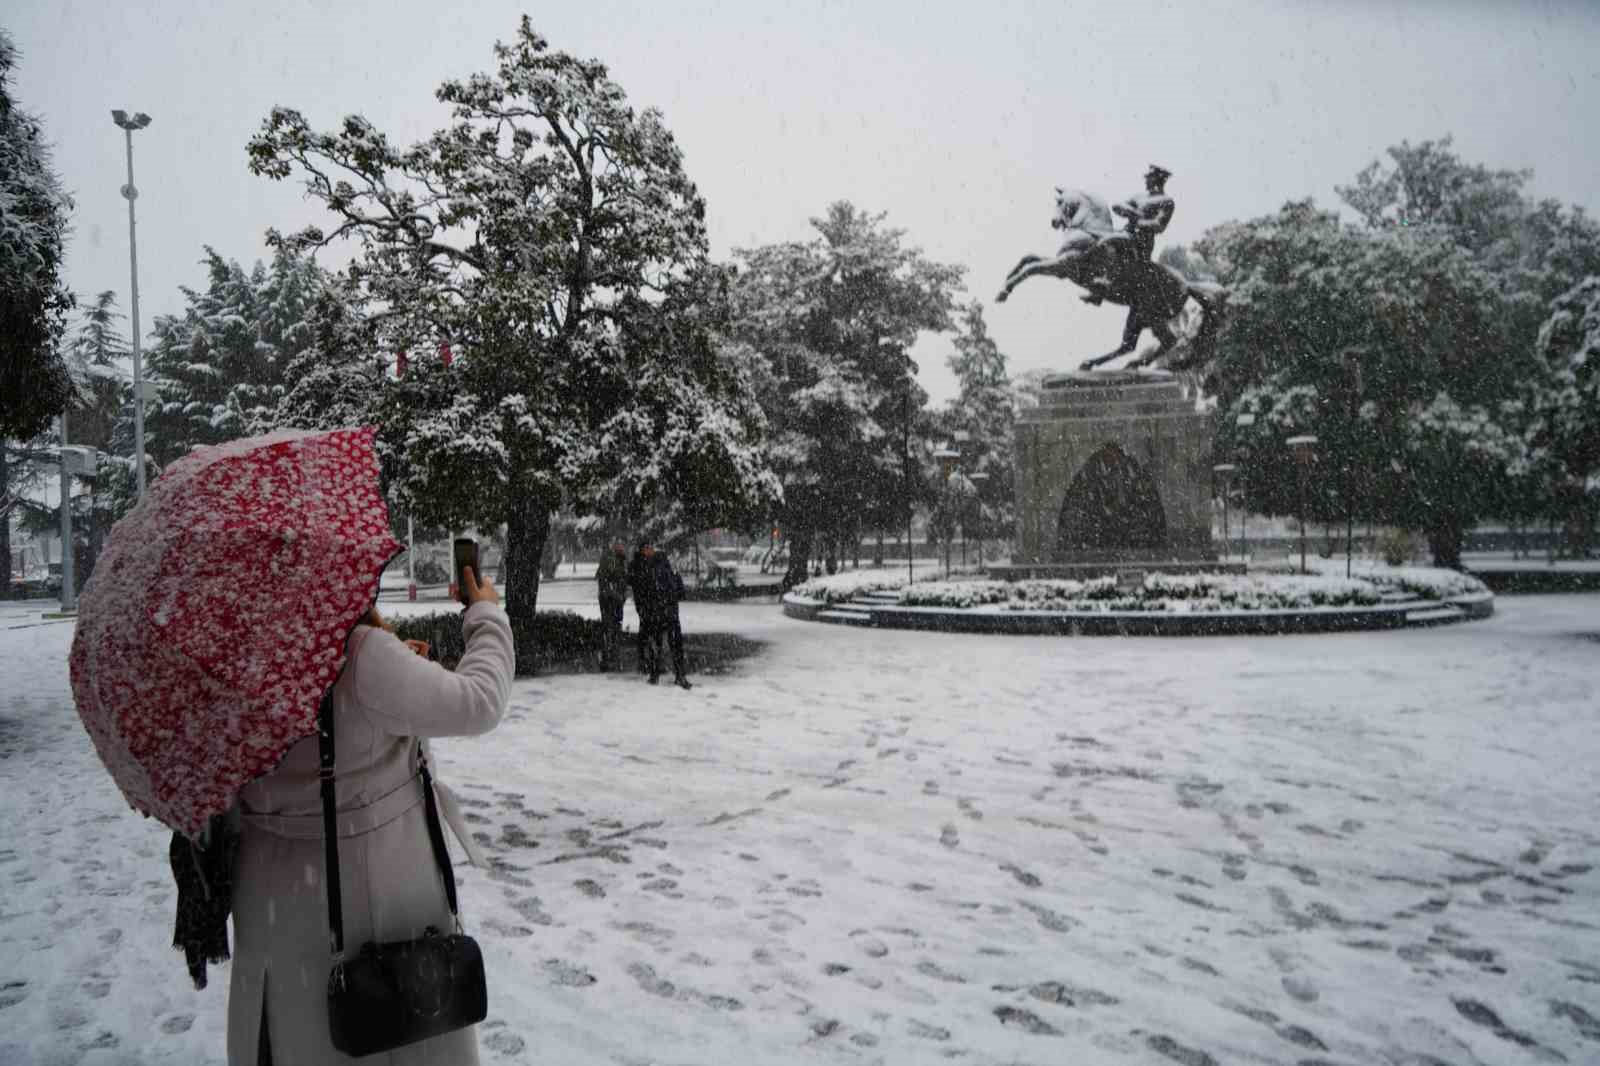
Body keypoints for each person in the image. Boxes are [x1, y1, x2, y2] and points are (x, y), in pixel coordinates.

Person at [226, 566, 513, 1065]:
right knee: (393, 1037)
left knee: (298, 1038)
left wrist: (398, 668)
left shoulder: (229, 657)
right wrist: (486, 615)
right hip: (373, 909)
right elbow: (479, 702)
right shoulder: (354, 653)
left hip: (274, 907)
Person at [649, 547, 692, 690]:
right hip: (672, 614)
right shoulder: (673, 573)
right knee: (676, 646)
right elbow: (682, 594)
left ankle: (654, 675)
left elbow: (647, 594)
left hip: (657, 614)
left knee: (657, 645)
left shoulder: (652, 574)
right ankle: (680, 675)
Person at [595, 540, 629, 671]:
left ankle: (612, 656)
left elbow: (623, 580)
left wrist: (622, 595)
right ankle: (607, 658)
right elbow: (605, 582)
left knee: (614, 627)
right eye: (619, 545)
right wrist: (616, 594)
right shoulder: (610, 560)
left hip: (616, 600)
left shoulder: (621, 560)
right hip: (609, 600)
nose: (622, 547)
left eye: (622, 545)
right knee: (609, 628)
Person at [628, 542, 660, 677]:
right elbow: (633, 580)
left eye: (651, 548)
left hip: (651, 601)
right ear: (642, 550)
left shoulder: (652, 562)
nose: (650, 550)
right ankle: (645, 659)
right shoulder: (638, 564)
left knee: (650, 629)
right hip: (643, 601)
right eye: (647, 548)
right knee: (646, 628)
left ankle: (651, 660)